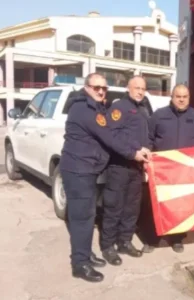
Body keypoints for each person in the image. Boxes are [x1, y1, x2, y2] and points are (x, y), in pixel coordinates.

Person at [59, 73, 150, 282]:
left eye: (104, 88)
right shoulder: (83, 109)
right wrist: (134, 153)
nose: (101, 91)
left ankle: (85, 254)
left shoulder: (96, 107)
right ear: (87, 88)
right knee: (83, 218)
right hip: (78, 169)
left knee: (87, 216)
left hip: (87, 169)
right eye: (96, 87)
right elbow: (109, 136)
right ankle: (80, 264)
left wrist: (138, 149)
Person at [141, 84, 194, 254]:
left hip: (186, 172)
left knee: (180, 206)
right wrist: (147, 157)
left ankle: (177, 238)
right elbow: (149, 139)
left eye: (185, 96)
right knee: (157, 205)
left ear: (189, 98)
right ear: (172, 97)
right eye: (178, 96)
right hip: (163, 171)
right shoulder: (159, 116)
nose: (181, 99)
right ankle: (152, 239)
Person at [100, 76, 152, 265]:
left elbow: (146, 136)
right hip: (119, 166)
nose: (140, 91)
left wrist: (147, 149)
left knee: (131, 208)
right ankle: (108, 246)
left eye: (143, 88)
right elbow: (111, 136)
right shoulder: (119, 107)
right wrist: (132, 153)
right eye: (136, 87)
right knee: (114, 207)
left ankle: (125, 241)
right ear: (128, 88)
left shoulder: (143, 110)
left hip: (136, 168)